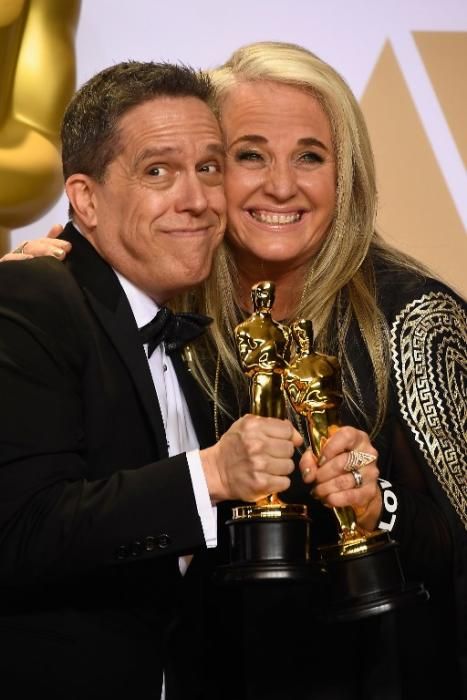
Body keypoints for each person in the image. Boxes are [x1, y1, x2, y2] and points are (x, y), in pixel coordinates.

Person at [4, 41, 466, 699]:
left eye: (310, 155)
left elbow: (457, 543)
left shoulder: (411, 315)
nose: (281, 185)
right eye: (247, 156)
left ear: (347, 175)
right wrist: (70, 273)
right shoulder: (162, 301)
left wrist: (377, 505)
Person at [0, 59, 306, 700]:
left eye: (210, 168)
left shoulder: (202, 342)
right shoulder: (29, 298)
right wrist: (212, 475)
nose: (196, 201)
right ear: (84, 198)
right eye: (158, 171)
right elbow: (21, 530)